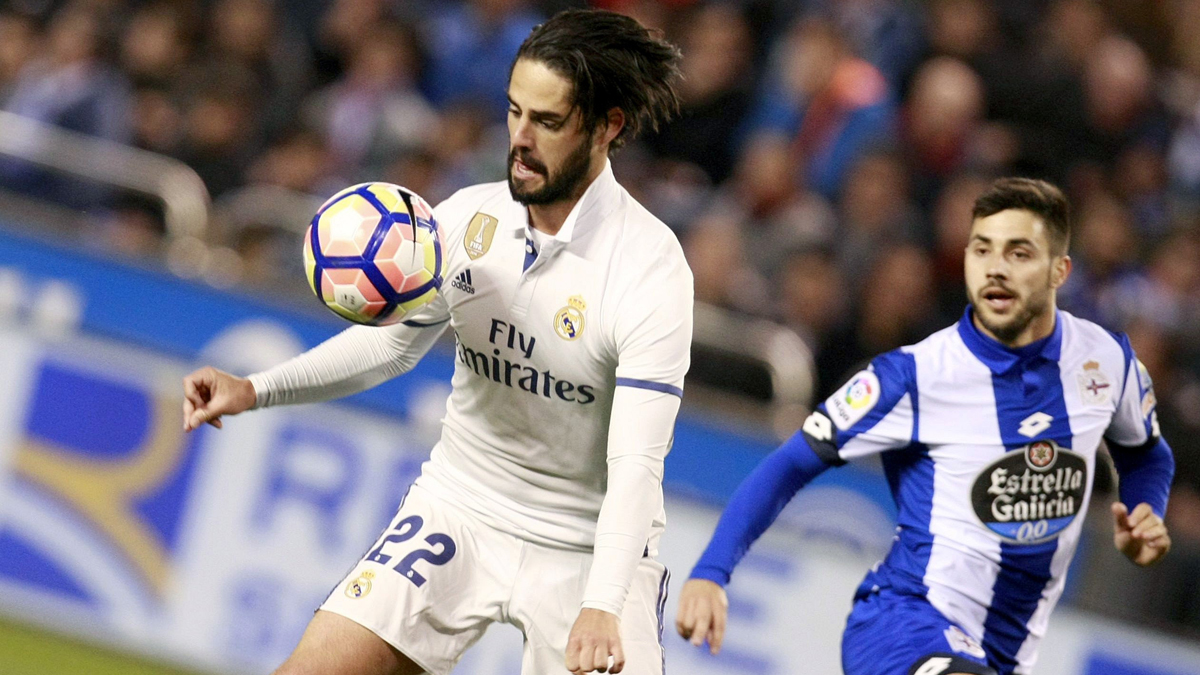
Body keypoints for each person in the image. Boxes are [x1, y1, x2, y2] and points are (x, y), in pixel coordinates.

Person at [181, 10, 689, 675]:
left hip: (589, 549)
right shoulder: (465, 220)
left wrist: (602, 601)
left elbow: (635, 462)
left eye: (548, 121)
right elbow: (393, 346)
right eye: (514, 112)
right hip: (463, 505)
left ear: (607, 127)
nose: (521, 139)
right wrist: (255, 388)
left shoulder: (649, 268)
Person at [675, 177, 1175, 675]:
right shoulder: (915, 375)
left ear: (1059, 271)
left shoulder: (1106, 362)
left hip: (1005, 654)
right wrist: (711, 571)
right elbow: (791, 462)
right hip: (905, 625)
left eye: (1019, 254)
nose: (996, 269)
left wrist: (1144, 511)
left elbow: (1147, 453)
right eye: (982, 250)